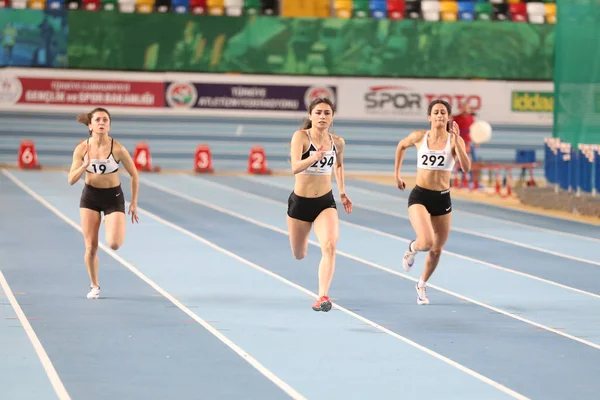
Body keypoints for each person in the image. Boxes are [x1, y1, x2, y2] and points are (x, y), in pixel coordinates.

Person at [394, 100, 471, 305]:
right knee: (426, 242)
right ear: (429, 117)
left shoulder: (454, 141)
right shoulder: (419, 136)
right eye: (435, 112)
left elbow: (466, 167)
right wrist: (397, 174)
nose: (439, 115)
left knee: (437, 250)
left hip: (442, 198)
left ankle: (421, 285)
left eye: (443, 112)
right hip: (420, 195)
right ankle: (412, 247)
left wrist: (457, 141)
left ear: (448, 117)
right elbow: (401, 146)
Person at [287, 97, 353, 312]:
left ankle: (322, 296)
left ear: (332, 116)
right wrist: (313, 158)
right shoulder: (301, 137)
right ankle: (302, 249)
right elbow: (295, 167)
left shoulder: (338, 142)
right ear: (310, 116)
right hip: (300, 204)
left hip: (325, 202)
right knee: (299, 254)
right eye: (318, 113)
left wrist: (342, 192)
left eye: (327, 113)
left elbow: (339, 166)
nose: (322, 116)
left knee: (330, 246)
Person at [67, 107, 140, 300]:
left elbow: (134, 174)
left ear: (109, 125)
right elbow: (71, 180)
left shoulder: (117, 148)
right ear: (90, 125)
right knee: (91, 246)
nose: (101, 123)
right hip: (90, 197)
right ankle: (94, 285)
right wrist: (84, 165)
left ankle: (111, 220)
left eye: (105, 120)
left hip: (113, 197)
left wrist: (133, 202)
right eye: (97, 120)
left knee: (114, 244)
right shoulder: (82, 149)